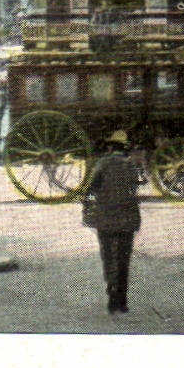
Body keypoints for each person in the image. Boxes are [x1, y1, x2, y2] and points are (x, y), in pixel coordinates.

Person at [81, 130, 141, 314]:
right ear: (125, 148)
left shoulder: (102, 164)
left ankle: (111, 293)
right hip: (127, 219)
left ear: (110, 147)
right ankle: (122, 300)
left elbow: (90, 188)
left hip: (105, 218)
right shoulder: (131, 166)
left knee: (108, 257)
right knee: (124, 259)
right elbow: (134, 187)